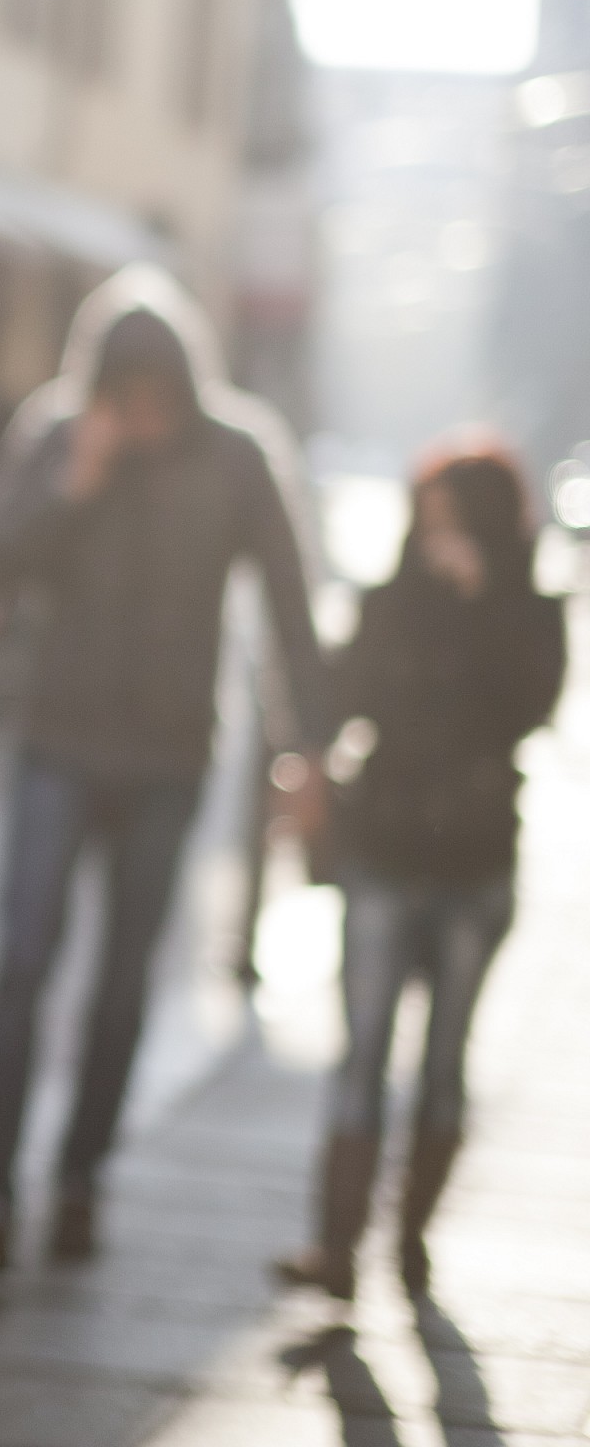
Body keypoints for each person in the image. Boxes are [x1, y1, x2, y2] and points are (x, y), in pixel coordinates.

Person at [0, 267, 333, 1271]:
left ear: (186, 388)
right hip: (55, 741)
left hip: (168, 757)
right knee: (22, 961)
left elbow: (292, 608)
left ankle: (80, 1181)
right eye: (127, 398)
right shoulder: (60, 435)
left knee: (123, 984)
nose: (143, 417)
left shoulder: (239, 455)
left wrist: (308, 748)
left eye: (159, 400)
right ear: (101, 384)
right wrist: (76, 486)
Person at [275, 439, 567, 1300]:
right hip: (387, 850)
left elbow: (535, 704)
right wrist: (308, 761)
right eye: (427, 518)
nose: (437, 537)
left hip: (476, 863)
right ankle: (335, 1249)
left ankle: (411, 1243)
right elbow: (339, 693)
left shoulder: (529, 609)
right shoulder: (390, 600)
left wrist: (486, 599)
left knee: (445, 1063)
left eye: (454, 520)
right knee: (361, 1053)